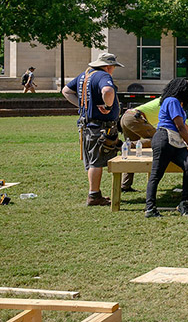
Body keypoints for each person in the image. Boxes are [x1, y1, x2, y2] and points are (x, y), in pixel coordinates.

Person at [62, 52, 124, 207]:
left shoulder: (85, 75)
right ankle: (94, 195)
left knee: (93, 161)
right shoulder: (103, 76)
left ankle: (95, 193)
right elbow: (108, 91)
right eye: (113, 67)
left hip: (88, 126)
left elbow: (66, 91)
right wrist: (108, 106)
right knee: (96, 162)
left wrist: (83, 106)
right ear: (108, 66)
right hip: (99, 127)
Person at [143, 78, 188, 219]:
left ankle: (184, 202)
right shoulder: (172, 101)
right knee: (156, 174)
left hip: (175, 141)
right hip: (164, 139)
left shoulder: (175, 102)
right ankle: (150, 208)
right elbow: (179, 126)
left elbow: (183, 126)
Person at [118, 95, 162, 193]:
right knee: (158, 139)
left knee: (129, 153)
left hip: (127, 116)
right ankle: (125, 145)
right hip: (135, 118)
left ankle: (125, 185)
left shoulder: (163, 100)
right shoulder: (170, 102)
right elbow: (178, 122)